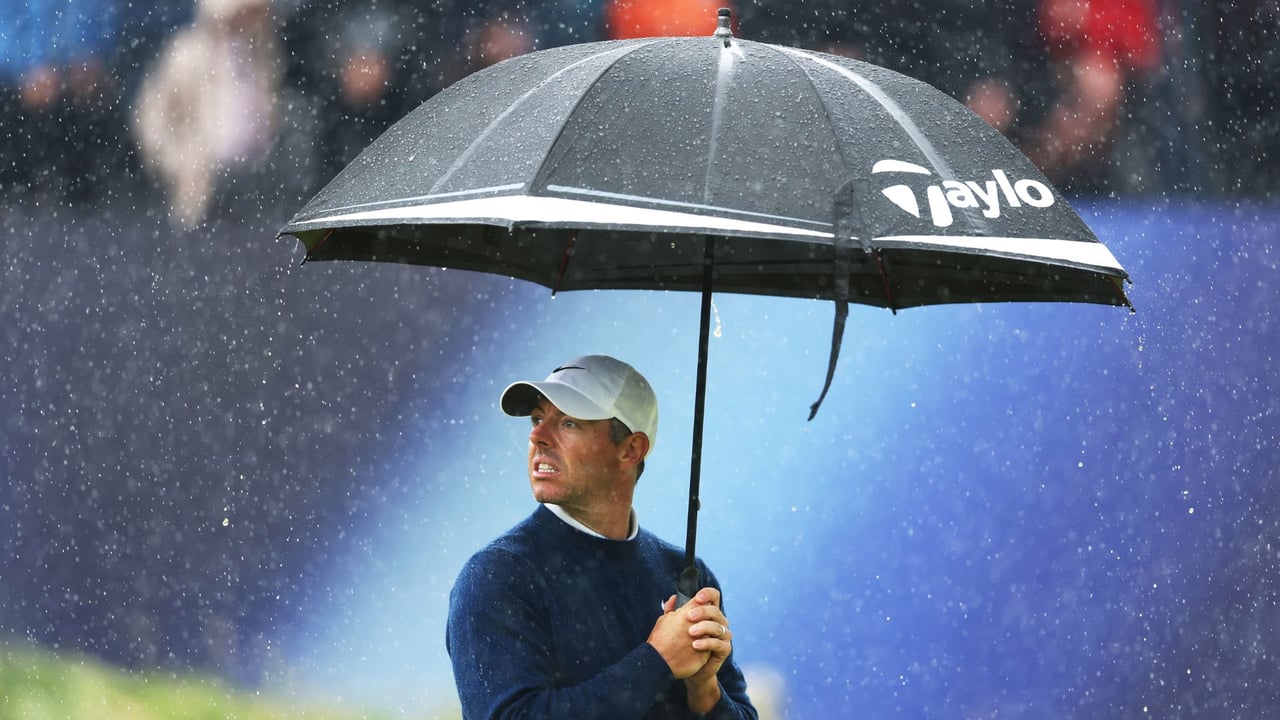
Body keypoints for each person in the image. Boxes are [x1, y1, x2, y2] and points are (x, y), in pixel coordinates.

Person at [447, 355, 757, 719]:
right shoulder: (498, 576)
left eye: (568, 422)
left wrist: (704, 688)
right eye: (536, 419)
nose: (537, 436)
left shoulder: (687, 575)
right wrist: (657, 662)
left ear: (631, 450)